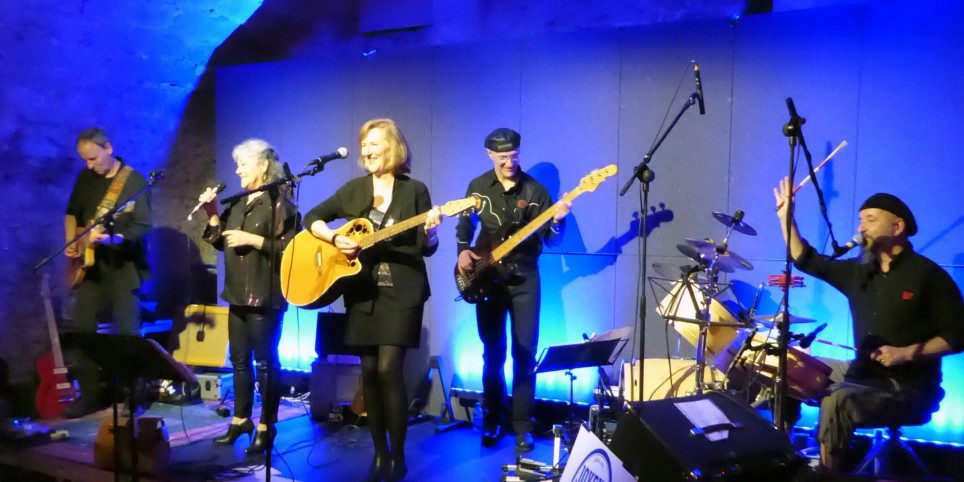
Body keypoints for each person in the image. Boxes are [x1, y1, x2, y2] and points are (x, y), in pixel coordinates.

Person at [773, 178, 964, 472]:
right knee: (787, 365)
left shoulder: (929, 276)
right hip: (862, 371)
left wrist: (905, 353)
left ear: (897, 227)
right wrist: (786, 217)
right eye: (861, 220)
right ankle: (782, 458)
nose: (861, 227)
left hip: (911, 387)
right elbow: (805, 259)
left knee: (838, 399)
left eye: (871, 220)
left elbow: (958, 336)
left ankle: (828, 475)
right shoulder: (858, 271)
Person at [303, 119, 441, 481]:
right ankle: (379, 454)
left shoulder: (415, 191)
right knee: (368, 374)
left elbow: (427, 247)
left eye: (374, 143)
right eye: (364, 144)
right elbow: (312, 218)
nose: (367, 150)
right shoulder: (354, 190)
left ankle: (398, 456)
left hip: (403, 293)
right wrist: (335, 238)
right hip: (362, 292)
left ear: (393, 147)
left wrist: (430, 233)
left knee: (388, 370)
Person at [456, 128, 570, 452]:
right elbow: (464, 225)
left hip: (525, 279)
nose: (509, 162)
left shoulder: (536, 191)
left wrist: (558, 221)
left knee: (524, 353)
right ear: (490, 155)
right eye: (503, 157)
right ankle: (493, 418)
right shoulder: (477, 187)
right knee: (492, 351)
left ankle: (523, 425)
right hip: (487, 278)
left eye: (514, 156)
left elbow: (552, 241)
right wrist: (463, 250)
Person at [198, 139, 299, 455]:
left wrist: (253, 240)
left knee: (265, 362)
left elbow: (291, 250)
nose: (238, 170)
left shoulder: (281, 203)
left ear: (264, 165)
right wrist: (212, 213)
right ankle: (240, 419)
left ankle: (267, 425)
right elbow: (221, 241)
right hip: (237, 293)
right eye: (237, 164)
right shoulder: (238, 203)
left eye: (243, 164)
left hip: (265, 295)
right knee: (239, 361)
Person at [62, 127, 152, 419]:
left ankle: (133, 394)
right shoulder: (86, 178)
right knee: (83, 329)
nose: (90, 165)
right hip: (91, 268)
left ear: (109, 148)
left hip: (124, 268)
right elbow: (72, 213)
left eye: (93, 158)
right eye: (85, 160)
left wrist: (114, 239)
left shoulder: (134, 182)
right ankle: (90, 395)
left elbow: (142, 227)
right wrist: (71, 241)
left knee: (128, 333)